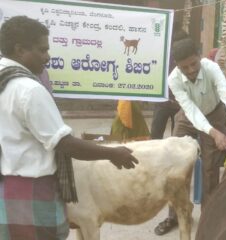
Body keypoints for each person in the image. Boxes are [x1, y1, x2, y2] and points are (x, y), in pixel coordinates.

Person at [0, 16, 138, 240]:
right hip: (34, 189)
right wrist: (113, 153)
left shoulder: (3, 78)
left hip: (8, 188)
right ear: (19, 50)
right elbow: (64, 143)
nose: (47, 57)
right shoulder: (28, 90)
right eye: (42, 50)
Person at [154, 38, 226, 235]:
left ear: (199, 56)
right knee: (176, 166)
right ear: (177, 66)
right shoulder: (173, 79)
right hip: (188, 117)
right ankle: (175, 216)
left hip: (214, 113)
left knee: (210, 169)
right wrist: (214, 133)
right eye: (184, 67)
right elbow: (191, 111)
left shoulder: (211, 68)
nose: (190, 70)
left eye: (193, 64)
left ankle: (208, 217)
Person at [150, 28, 189, 140]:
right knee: (155, 135)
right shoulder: (163, 57)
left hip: (179, 103)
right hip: (162, 101)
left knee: (177, 136)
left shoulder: (189, 60)